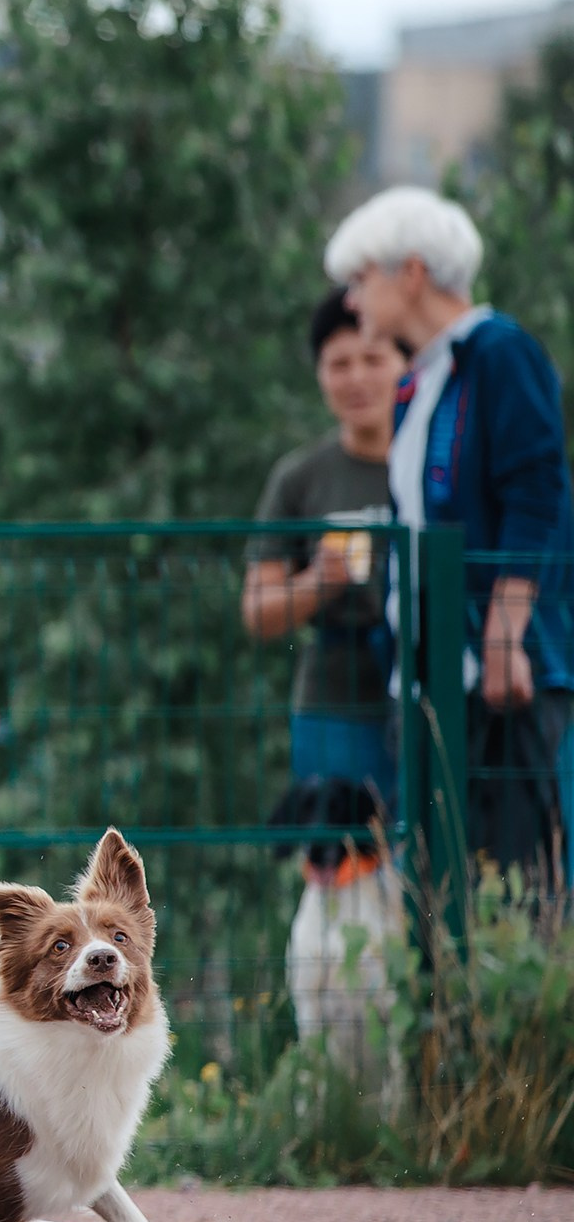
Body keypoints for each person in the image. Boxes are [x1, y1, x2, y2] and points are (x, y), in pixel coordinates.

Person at [330, 185, 574, 899]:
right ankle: (451, 1013)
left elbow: (538, 489)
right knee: (442, 887)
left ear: (411, 273)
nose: (353, 300)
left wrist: (506, 630)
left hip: (502, 675)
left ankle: (519, 1015)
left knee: (516, 885)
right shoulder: (425, 378)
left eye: (361, 277)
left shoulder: (498, 353)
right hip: (434, 675)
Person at [243, 290, 404, 797]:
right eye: (339, 364)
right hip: (335, 703)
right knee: (342, 863)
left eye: (373, 359)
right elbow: (257, 612)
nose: (357, 378)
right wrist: (317, 583)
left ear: (406, 363)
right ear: (320, 375)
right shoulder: (300, 479)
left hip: (436, 696)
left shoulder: (439, 467)